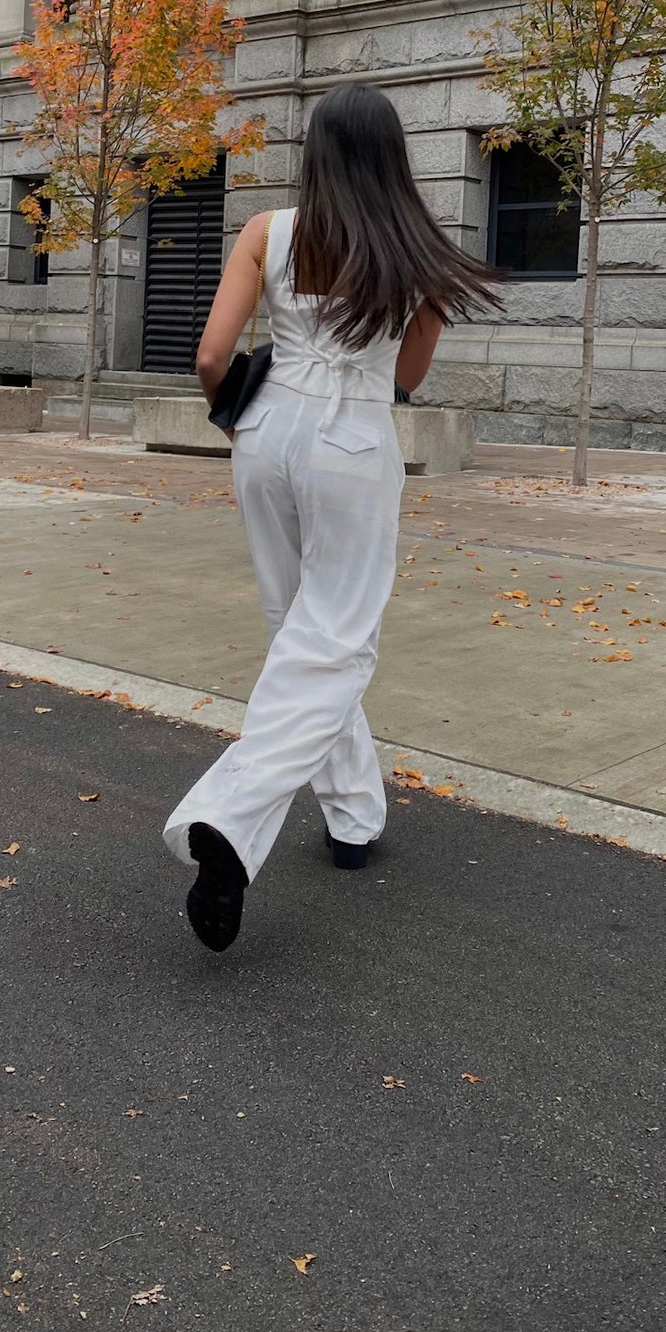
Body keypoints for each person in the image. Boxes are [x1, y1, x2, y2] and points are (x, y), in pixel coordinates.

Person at [164, 84, 500, 951]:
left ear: (315, 152)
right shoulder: (416, 249)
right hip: (352, 431)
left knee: (299, 630)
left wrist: (238, 413)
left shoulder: (267, 232)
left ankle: (353, 816)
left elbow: (208, 355)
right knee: (336, 638)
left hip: (265, 427)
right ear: (393, 154)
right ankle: (232, 822)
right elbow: (410, 381)